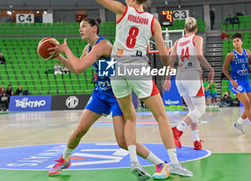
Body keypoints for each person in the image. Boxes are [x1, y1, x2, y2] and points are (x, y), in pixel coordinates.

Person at [68, 0, 192, 179]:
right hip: (137, 66)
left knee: (130, 116)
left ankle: (134, 160)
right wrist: (170, 65)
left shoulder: (121, 11)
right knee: (162, 117)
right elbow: (164, 55)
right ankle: (173, 163)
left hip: (117, 67)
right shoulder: (152, 21)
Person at [48, 18, 168, 179]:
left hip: (118, 95)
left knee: (122, 142)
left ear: (94, 28)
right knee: (79, 130)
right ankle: (64, 159)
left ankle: (161, 163)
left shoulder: (104, 45)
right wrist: (59, 57)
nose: (80, 30)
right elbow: (76, 70)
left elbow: (78, 66)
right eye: (79, 27)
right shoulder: (88, 48)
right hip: (100, 94)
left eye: (83, 26)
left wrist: (65, 50)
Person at [164, 17, 214, 150]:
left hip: (179, 77)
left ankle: (196, 141)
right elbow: (198, 55)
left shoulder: (177, 42)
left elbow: (171, 61)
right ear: (196, 29)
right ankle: (178, 130)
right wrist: (210, 68)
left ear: (185, 29)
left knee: (193, 111)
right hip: (192, 75)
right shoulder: (197, 38)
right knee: (200, 109)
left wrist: (168, 78)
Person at [222, 33, 251, 136]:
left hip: (246, 81)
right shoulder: (230, 55)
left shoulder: (247, 52)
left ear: (241, 42)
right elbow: (224, 69)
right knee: (247, 104)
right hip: (236, 82)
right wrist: (231, 80)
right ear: (233, 44)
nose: (236, 43)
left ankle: (238, 123)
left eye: (238, 41)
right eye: (234, 41)